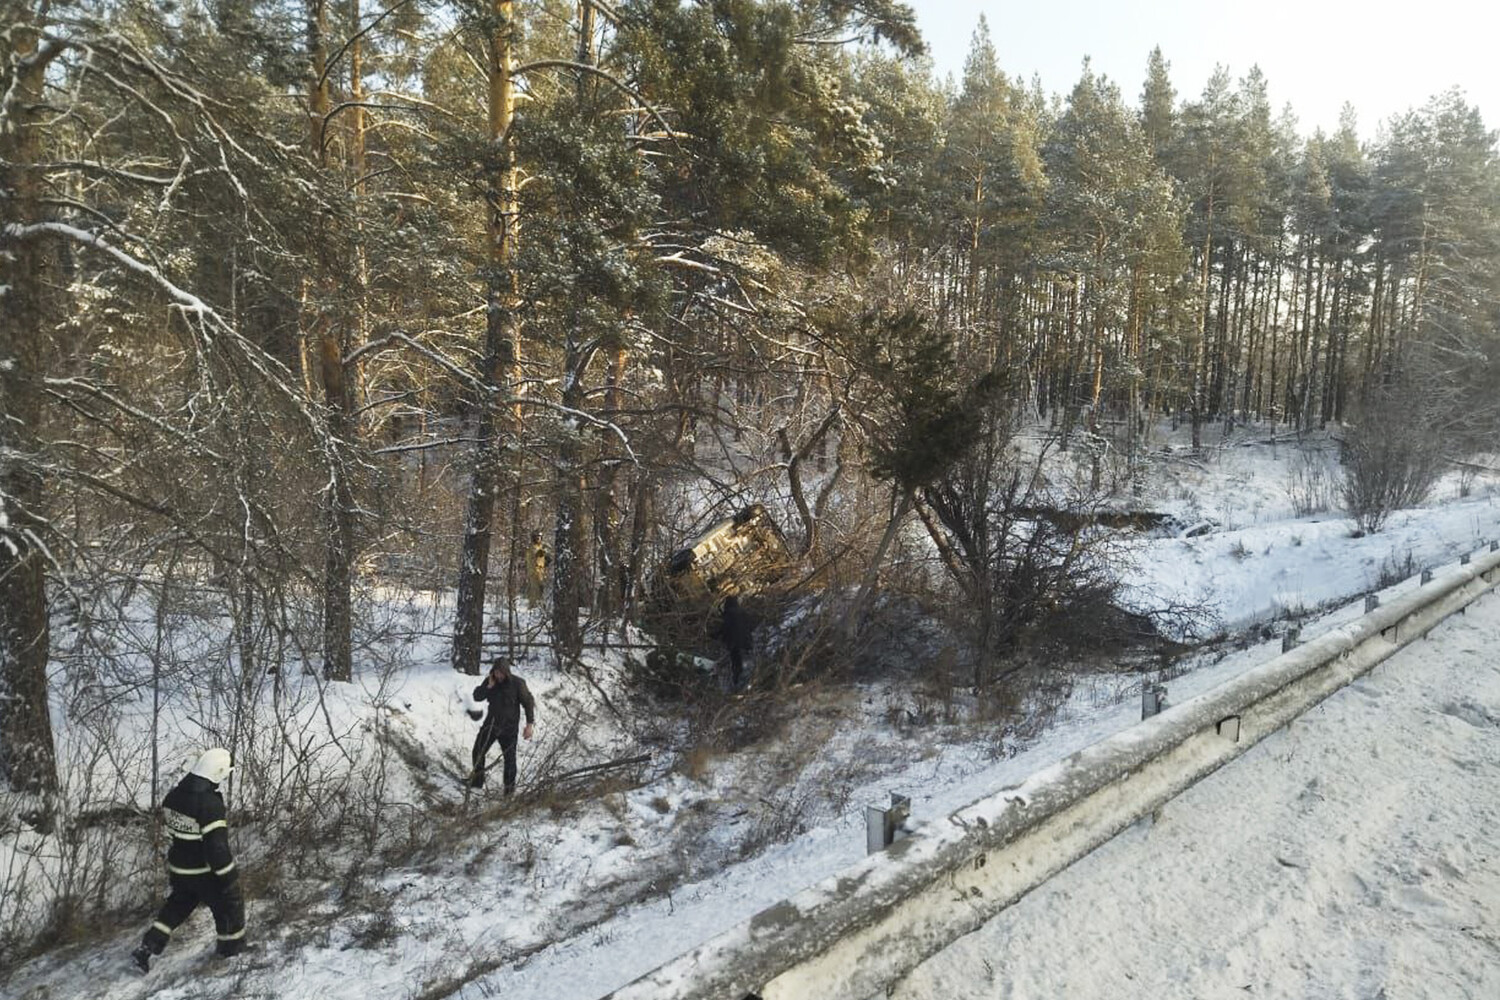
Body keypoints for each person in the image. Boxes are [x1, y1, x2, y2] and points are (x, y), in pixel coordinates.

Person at [131, 748, 246, 972]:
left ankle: (146, 948)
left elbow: (173, 833)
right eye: (224, 773)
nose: (224, 778)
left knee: (177, 906)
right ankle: (231, 953)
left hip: (179, 868)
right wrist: (229, 876)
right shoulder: (209, 805)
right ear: (217, 771)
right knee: (228, 906)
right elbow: (216, 849)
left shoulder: (173, 796)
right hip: (202, 871)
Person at [468, 658, 536, 794]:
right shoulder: (490, 681)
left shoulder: (517, 683)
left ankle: (509, 791)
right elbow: (477, 696)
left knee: (510, 760)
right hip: (491, 725)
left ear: (507, 672)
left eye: (501, 673)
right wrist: (488, 687)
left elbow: (528, 702)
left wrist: (529, 724)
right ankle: (477, 783)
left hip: (509, 728)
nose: (498, 675)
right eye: (496, 672)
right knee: (478, 751)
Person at [715, 594, 754, 692]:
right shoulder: (744, 613)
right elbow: (751, 626)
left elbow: (725, 629)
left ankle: (737, 685)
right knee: (746, 663)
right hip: (746, 642)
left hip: (734, 644)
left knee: (736, 664)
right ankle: (747, 683)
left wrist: (716, 636)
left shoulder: (729, 614)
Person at [524, 531, 551, 604]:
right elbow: (535, 556)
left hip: (540, 571)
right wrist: (543, 552)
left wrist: (546, 561)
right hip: (534, 571)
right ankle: (533, 605)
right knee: (535, 589)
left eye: (539, 537)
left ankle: (539, 604)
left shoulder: (540, 547)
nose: (538, 539)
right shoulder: (531, 548)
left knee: (540, 588)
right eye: (537, 537)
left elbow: (541, 558)